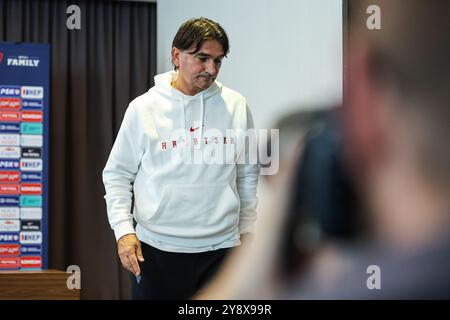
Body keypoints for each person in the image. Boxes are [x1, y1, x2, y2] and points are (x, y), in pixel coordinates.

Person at [102, 17, 259, 300]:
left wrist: (247, 229)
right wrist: (123, 231)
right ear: (177, 55)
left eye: (218, 61)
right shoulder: (143, 109)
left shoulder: (236, 105)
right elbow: (117, 174)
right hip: (156, 252)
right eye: (202, 58)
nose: (211, 70)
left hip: (222, 251)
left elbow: (247, 173)